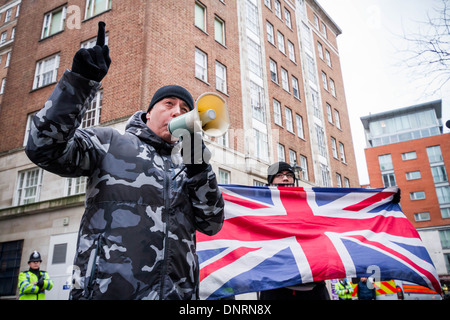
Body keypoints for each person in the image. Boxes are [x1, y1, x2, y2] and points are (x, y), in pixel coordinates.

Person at [25, 22, 224, 300]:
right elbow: (43, 147)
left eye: (185, 110)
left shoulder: (189, 166)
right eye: (168, 104)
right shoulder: (110, 142)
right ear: (149, 112)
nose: (177, 113)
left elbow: (212, 223)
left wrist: (200, 169)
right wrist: (79, 84)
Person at [259, 162, 330, 300]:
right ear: (270, 180)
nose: (285, 179)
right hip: (276, 288)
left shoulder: (309, 204)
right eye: (279, 175)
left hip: (313, 287)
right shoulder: (262, 207)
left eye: (289, 175)